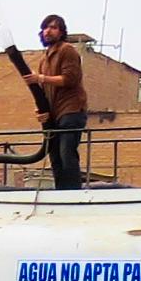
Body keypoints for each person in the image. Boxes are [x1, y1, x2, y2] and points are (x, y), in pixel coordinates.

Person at [24, 13, 87, 190]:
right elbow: (44, 91)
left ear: (61, 32)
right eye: (45, 27)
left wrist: (41, 78)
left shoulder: (67, 50)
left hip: (71, 110)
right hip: (55, 113)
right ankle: (61, 192)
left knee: (67, 154)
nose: (48, 31)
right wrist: (40, 111)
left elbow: (70, 79)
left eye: (53, 27)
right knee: (55, 157)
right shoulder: (44, 59)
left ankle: (73, 192)